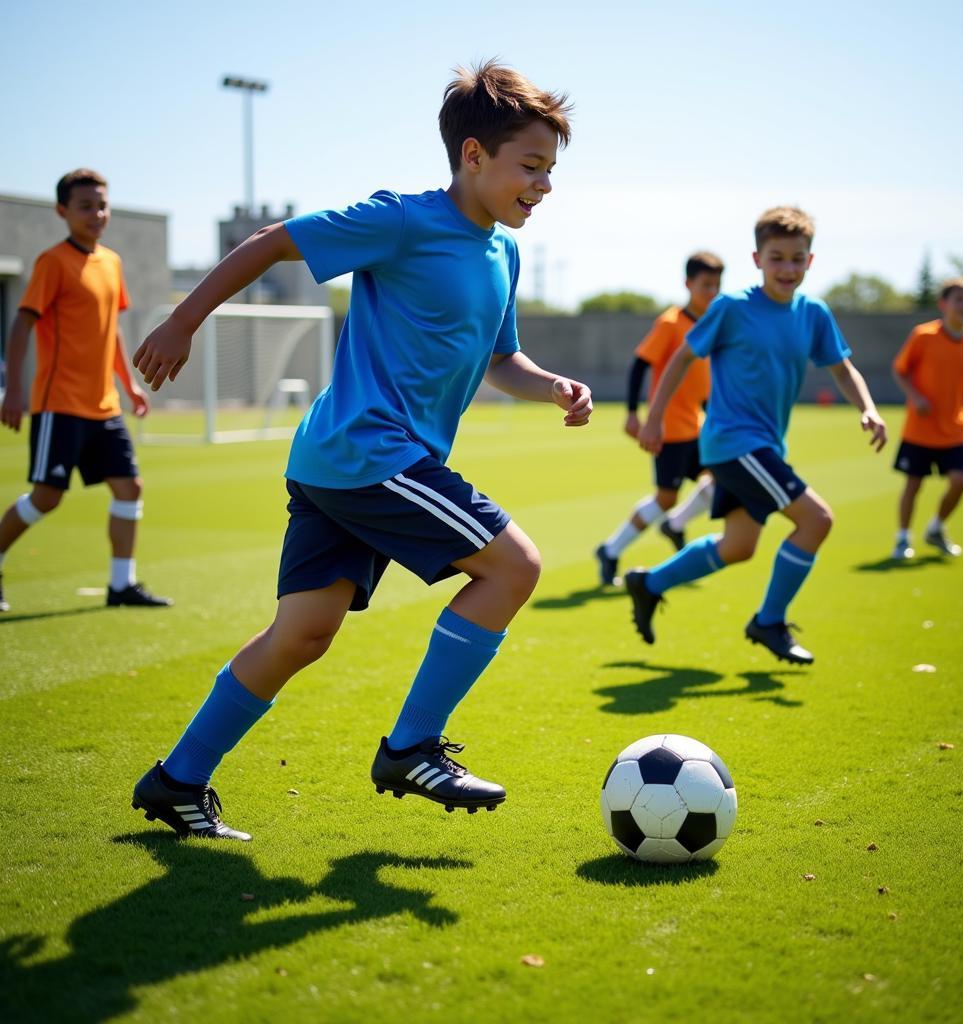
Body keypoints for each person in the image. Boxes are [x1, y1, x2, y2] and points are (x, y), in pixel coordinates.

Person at [129, 60, 590, 840]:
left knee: (303, 635)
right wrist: (184, 320)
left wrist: (549, 385)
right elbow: (276, 242)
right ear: (474, 156)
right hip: (371, 454)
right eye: (531, 166)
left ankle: (176, 780)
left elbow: (499, 360)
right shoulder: (403, 219)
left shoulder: (502, 255)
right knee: (515, 566)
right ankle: (411, 748)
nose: (544, 186)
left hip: (337, 466)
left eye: (551, 171)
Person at [629, 206, 887, 665]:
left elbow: (843, 369)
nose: (786, 268)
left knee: (738, 547)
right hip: (733, 443)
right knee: (816, 521)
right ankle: (769, 621)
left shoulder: (814, 314)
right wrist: (654, 418)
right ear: (757, 259)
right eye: (776, 258)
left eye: (796, 258)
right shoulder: (732, 308)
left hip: (764, 446)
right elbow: (682, 359)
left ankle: (648, 583)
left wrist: (867, 409)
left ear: (810, 261)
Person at [0, 169, 171, 613]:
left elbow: (109, 329)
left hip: (104, 406)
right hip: (59, 405)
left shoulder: (111, 262)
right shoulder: (52, 262)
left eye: (102, 205)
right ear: (62, 212)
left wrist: (128, 384)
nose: (97, 214)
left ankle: (121, 585)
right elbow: (21, 324)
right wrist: (13, 391)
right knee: (46, 498)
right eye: (85, 206)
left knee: (129, 488)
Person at [594, 252, 722, 586]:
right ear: (688, 284)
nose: (712, 291)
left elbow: (701, 382)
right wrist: (634, 414)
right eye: (705, 284)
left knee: (722, 478)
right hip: (670, 430)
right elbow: (640, 364)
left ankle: (675, 525)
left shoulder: (710, 323)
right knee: (665, 498)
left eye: (716, 284)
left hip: (697, 426)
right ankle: (610, 550)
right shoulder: (670, 323)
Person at [890, 276, 963, 559]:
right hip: (920, 428)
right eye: (958, 299)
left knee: (960, 481)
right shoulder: (923, 335)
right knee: (913, 484)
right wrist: (916, 396)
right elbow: (900, 370)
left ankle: (936, 527)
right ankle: (902, 538)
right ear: (943, 304)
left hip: (954, 428)